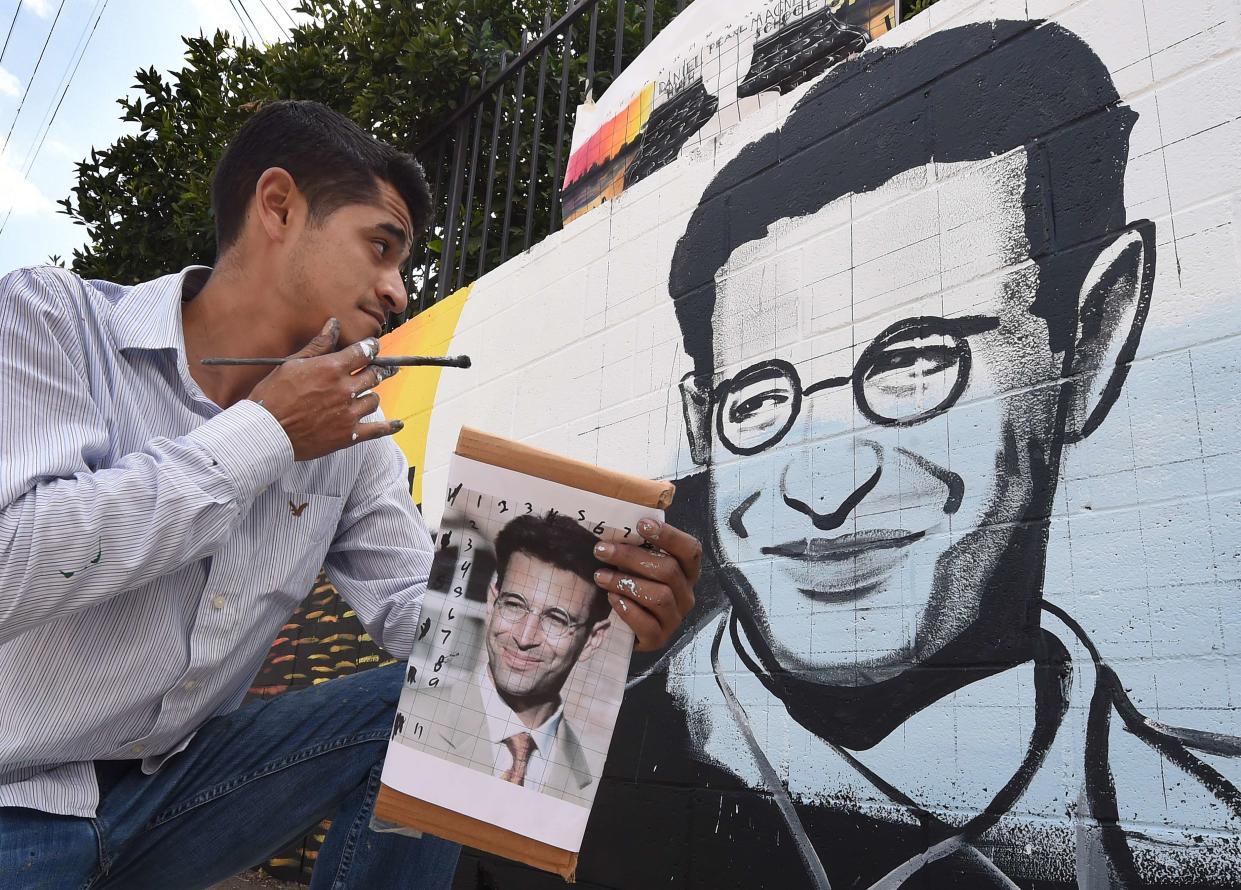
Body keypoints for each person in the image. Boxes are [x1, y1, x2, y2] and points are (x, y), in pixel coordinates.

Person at [580, 19, 1241, 890]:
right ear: (703, 427)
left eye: (915, 363)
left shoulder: (1200, 838)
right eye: (760, 400)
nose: (820, 485)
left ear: (1091, 337)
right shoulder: (574, 770)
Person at [0, 99, 700, 889]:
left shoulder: (350, 440)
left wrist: (602, 618)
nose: (398, 292)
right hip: (15, 799)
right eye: (381, 247)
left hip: (178, 799)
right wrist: (265, 434)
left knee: (425, 700)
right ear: (279, 206)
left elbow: (423, 624)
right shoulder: (53, 319)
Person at [419, 512, 614, 803]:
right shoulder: (414, 719)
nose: (524, 638)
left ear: (592, 640)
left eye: (557, 620)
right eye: (514, 604)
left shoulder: (596, 775)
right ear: (491, 601)